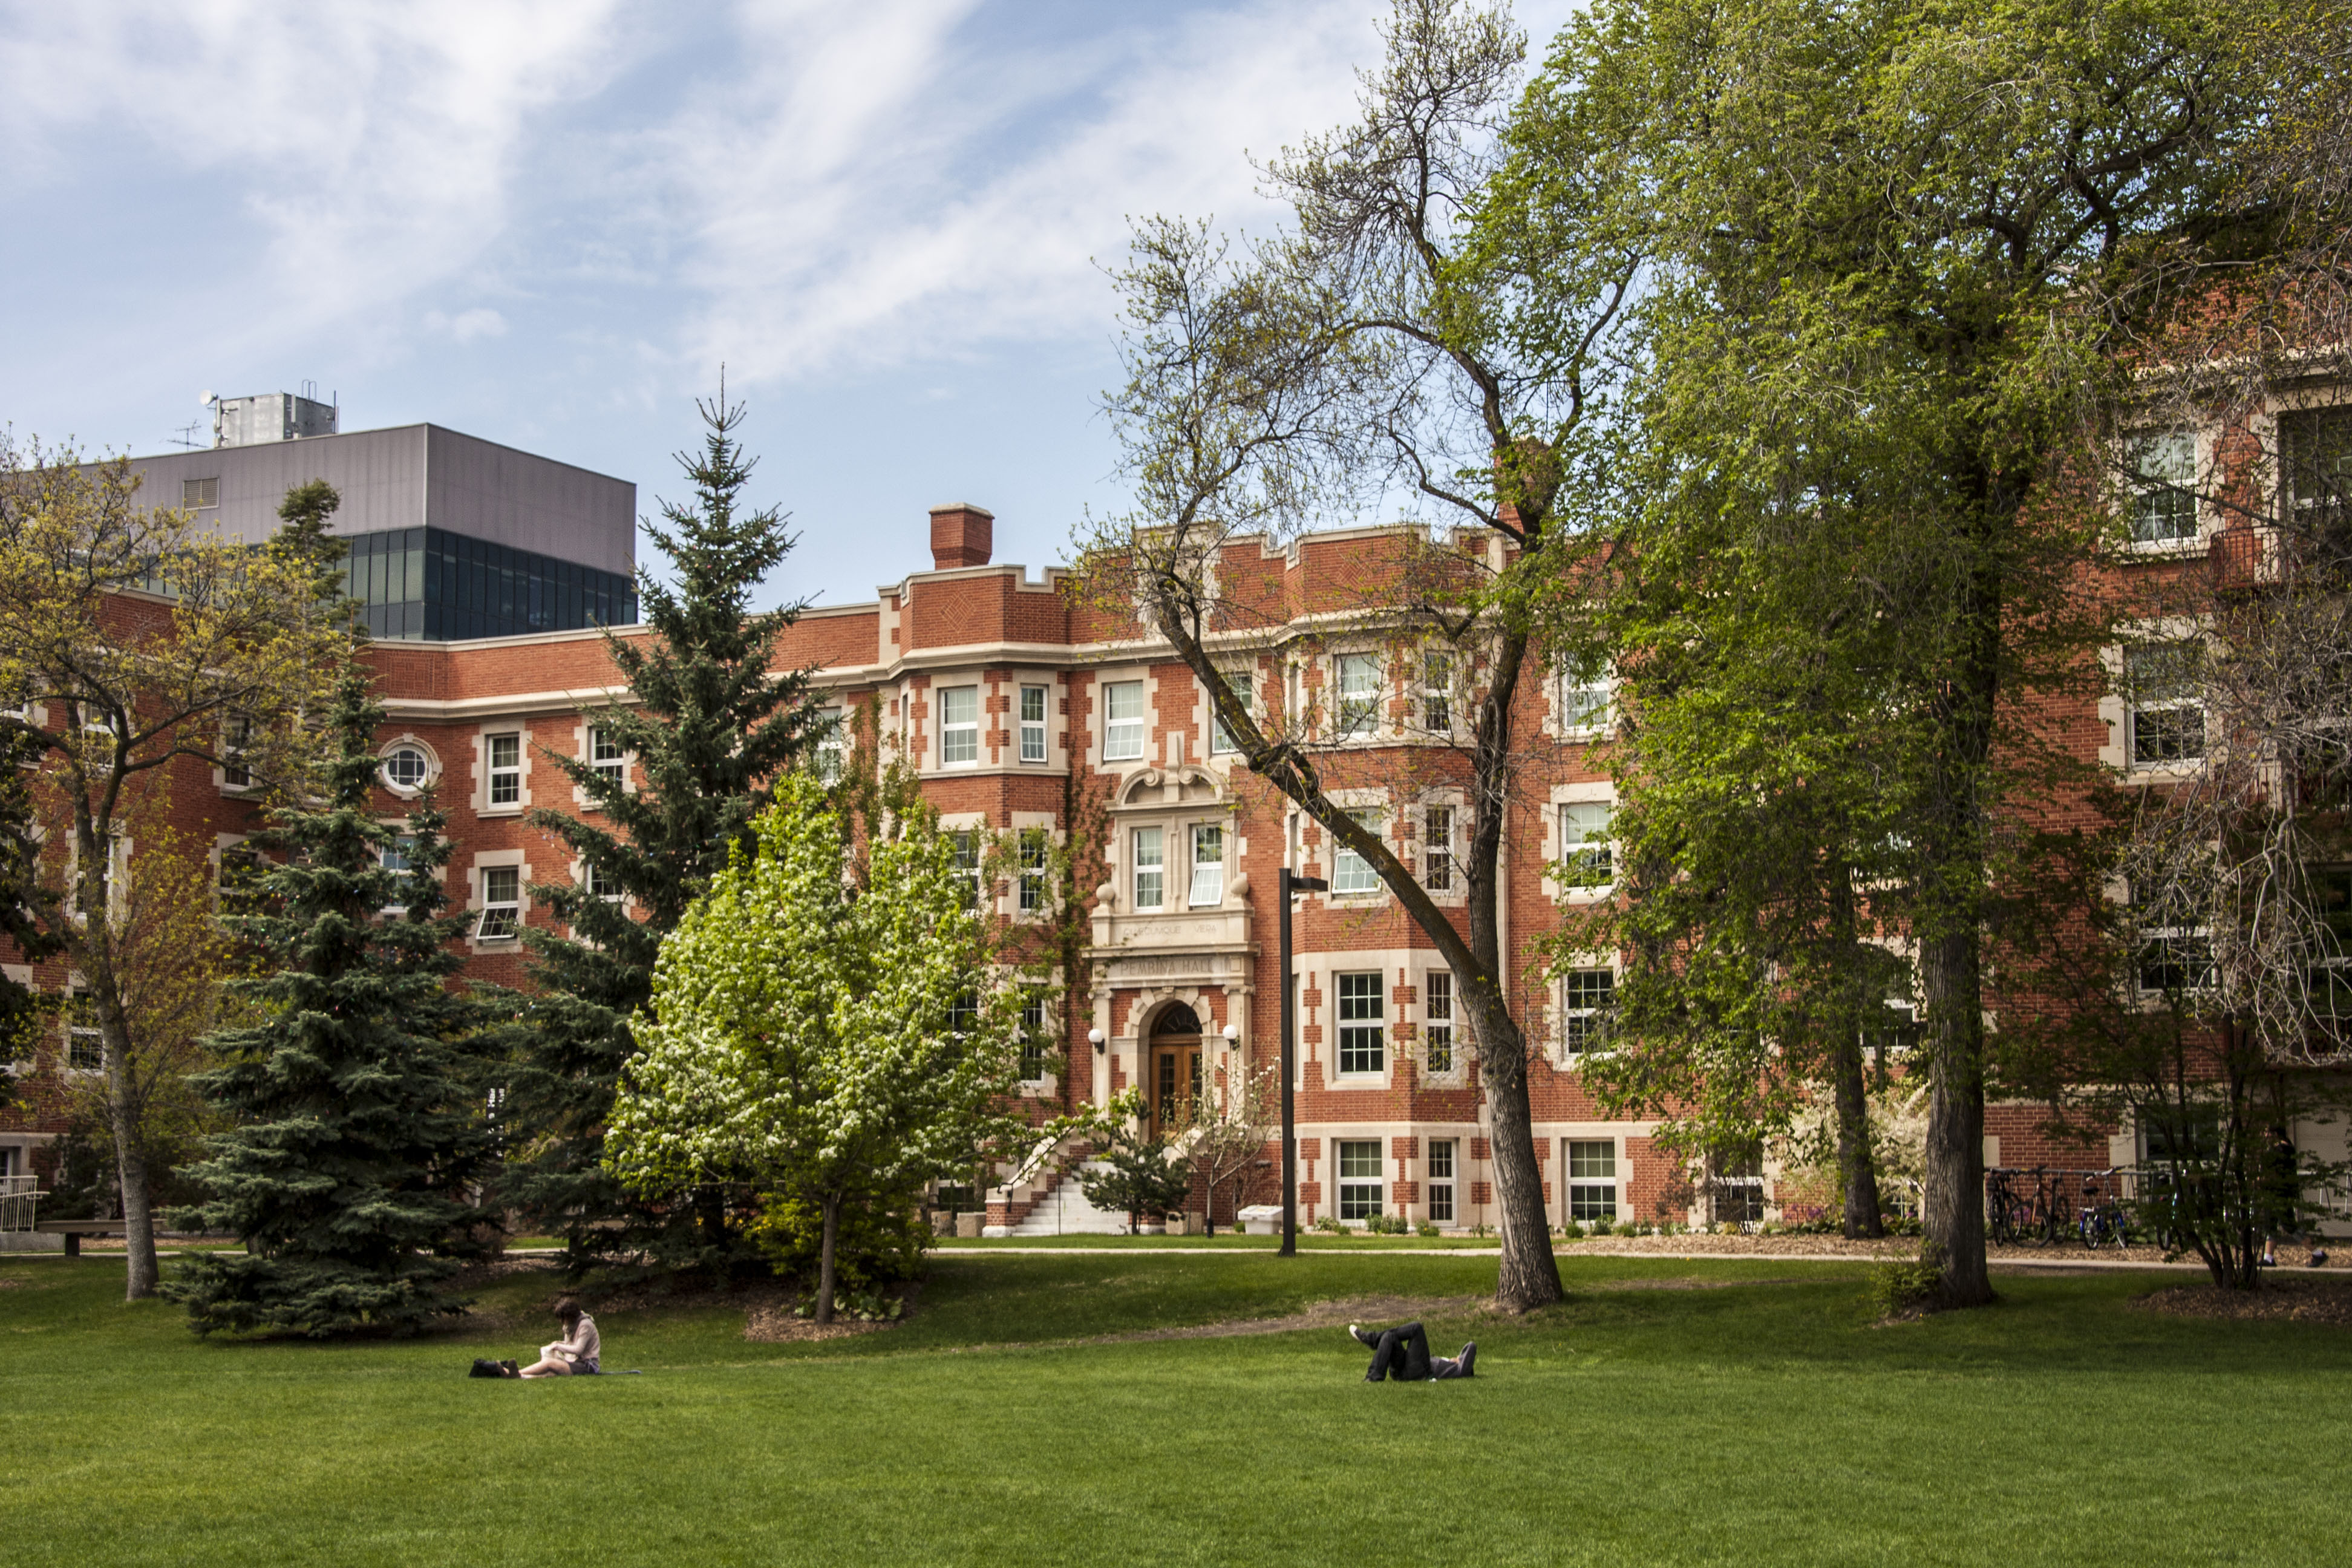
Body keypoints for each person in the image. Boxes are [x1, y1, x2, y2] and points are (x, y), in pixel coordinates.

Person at [1349, 1321, 1474, 1381]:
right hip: (1402, 1371)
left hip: (1419, 1372)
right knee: (1389, 1337)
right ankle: (1372, 1378)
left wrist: (1458, 1360)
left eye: (1461, 1357)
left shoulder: (1459, 1370)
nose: (1457, 1356)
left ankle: (1372, 1339)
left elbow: (1472, 1346)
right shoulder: (1448, 1364)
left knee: (1416, 1328)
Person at [518, 1297, 601, 1378]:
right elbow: (569, 1345)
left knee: (549, 1363)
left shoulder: (585, 1325)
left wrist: (558, 1347)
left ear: (570, 1316)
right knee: (551, 1372)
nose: (561, 1321)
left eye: (562, 1318)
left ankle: (517, 1373)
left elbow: (579, 1350)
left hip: (587, 1366)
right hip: (575, 1362)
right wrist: (558, 1343)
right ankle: (522, 1376)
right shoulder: (570, 1326)